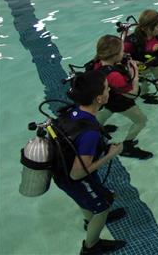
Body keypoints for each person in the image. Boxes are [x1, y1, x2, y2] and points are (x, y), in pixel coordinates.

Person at [52, 70, 126, 254]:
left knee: (90, 200)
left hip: (61, 172)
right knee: (103, 204)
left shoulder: (72, 111)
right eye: (107, 89)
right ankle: (91, 246)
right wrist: (111, 154)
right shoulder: (89, 134)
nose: (110, 91)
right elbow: (77, 173)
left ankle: (91, 218)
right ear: (99, 99)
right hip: (75, 179)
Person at [92, 35, 153, 159]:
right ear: (115, 55)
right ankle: (127, 147)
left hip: (105, 100)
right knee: (141, 121)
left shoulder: (97, 63)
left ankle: (97, 129)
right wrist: (134, 73)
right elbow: (133, 94)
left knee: (106, 112)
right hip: (120, 101)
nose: (124, 52)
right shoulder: (114, 75)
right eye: (122, 50)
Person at [124, 9, 158, 109]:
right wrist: (134, 62)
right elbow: (121, 57)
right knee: (145, 83)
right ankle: (145, 96)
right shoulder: (130, 42)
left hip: (157, 63)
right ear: (146, 28)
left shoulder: (157, 34)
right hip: (141, 67)